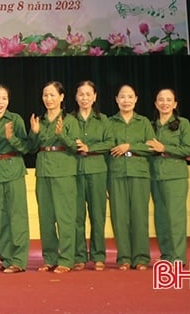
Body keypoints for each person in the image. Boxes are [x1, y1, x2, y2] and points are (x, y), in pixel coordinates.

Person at [29, 81, 81, 273]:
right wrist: (34, 134)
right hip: (43, 171)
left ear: (61, 97)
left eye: (52, 95)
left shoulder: (70, 120)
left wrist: (62, 136)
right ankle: (49, 258)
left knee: (65, 217)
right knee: (46, 217)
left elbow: (76, 147)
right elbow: (31, 148)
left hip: (64, 171)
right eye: (45, 95)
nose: (48, 99)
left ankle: (67, 259)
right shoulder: (40, 121)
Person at [0, 83, 30, 273]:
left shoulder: (15, 119)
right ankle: (6, 258)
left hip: (14, 170)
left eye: (4, 98)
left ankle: (19, 260)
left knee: (17, 216)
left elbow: (25, 148)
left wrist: (11, 139)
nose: (1, 102)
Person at [108, 84, 154, 270]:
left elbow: (151, 146)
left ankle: (141, 257)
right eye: (122, 97)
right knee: (119, 217)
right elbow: (106, 146)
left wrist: (130, 146)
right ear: (116, 100)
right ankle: (124, 258)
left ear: (136, 99)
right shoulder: (109, 122)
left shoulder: (143, 122)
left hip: (139, 173)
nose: (126, 100)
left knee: (139, 215)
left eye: (130, 97)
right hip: (117, 172)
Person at [147, 88, 190, 263]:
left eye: (169, 100)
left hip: (175, 176)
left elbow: (189, 149)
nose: (164, 103)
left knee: (175, 218)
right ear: (155, 103)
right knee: (160, 218)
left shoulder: (183, 123)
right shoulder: (150, 125)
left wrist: (164, 148)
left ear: (175, 104)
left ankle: (178, 257)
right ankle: (166, 255)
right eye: (161, 99)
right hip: (155, 175)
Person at [71, 80, 113, 271]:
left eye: (88, 94)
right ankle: (79, 255)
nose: (85, 98)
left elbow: (110, 142)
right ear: (76, 97)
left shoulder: (103, 120)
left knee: (97, 215)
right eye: (81, 94)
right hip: (75, 171)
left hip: (97, 171)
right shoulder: (69, 119)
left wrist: (91, 148)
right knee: (77, 216)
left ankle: (98, 256)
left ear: (95, 97)